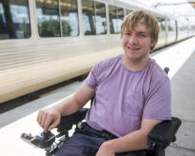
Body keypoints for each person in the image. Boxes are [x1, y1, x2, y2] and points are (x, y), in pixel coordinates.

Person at [37, 10, 171, 156]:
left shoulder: (158, 81)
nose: (132, 41)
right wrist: (57, 109)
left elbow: (147, 136)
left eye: (141, 35)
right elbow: (77, 100)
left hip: (128, 147)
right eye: (128, 33)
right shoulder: (103, 67)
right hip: (87, 137)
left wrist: (110, 147)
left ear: (153, 41)